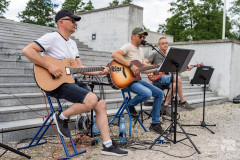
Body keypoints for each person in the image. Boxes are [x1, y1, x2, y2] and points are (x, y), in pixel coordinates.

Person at [21, 9, 128, 156]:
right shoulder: (52, 37)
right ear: (61, 22)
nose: (75, 23)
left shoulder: (72, 44)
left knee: (101, 103)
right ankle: (61, 117)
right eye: (72, 20)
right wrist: (50, 66)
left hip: (71, 80)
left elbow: (79, 68)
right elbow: (27, 51)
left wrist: (100, 71)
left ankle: (108, 145)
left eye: (75, 20)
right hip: (55, 83)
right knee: (91, 99)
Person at [111, 27, 164, 134]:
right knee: (147, 93)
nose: (142, 38)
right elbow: (114, 55)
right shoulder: (128, 46)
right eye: (140, 36)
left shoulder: (141, 51)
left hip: (137, 80)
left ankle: (155, 123)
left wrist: (156, 68)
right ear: (133, 36)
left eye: (144, 36)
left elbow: (142, 67)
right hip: (126, 81)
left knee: (159, 93)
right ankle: (129, 104)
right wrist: (130, 65)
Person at [145, 37, 197, 112]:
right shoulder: (155, 54)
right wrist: (154, 68)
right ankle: (183, 101)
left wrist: (185, 69)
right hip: (157, 79)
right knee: (178, 78)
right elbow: (145, 63)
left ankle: (165, 105)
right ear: (158, 45)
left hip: (167, 79)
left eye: (166, 43)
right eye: (163, 43)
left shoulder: (169, 56)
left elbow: (173, 71)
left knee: (175, 85)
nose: (165, 45)